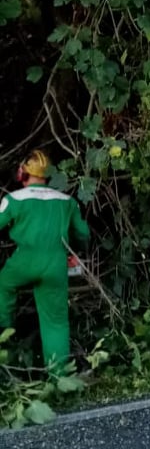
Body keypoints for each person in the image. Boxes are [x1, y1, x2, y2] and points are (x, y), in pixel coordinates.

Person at [0, 150, 89, 371]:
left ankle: (5, 332)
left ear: (23, 174)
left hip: (25, 261)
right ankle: (59, 376)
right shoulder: (67, 201)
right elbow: (83, 234)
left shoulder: (13, 199)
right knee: (56, 322)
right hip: (55, 264)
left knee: (3, 284)